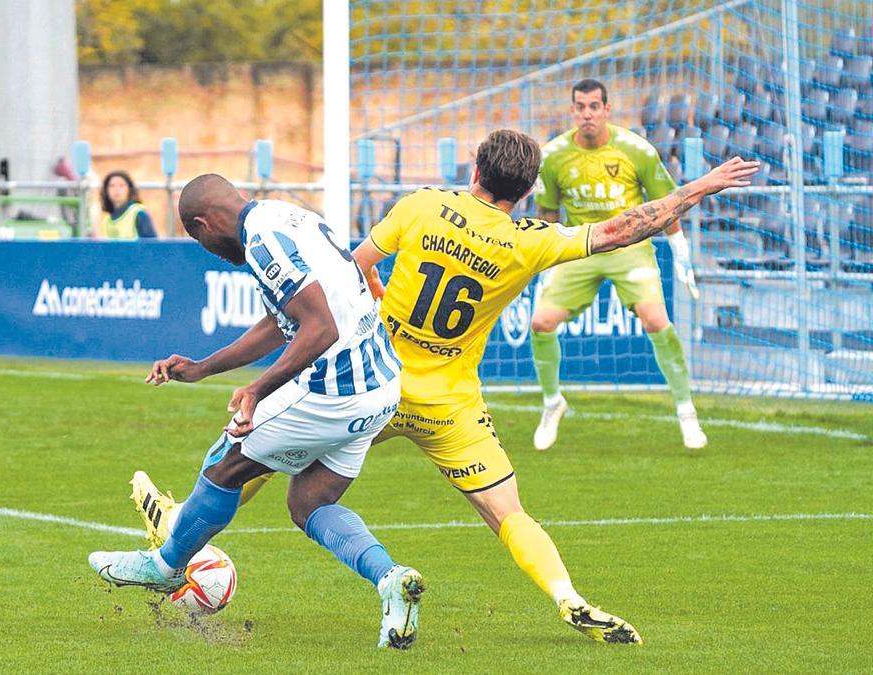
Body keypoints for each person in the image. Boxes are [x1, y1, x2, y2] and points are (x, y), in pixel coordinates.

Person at [131, 133, 759, 644]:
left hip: (379, 380)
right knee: (508, 514)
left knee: (263, 460)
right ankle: (570, 599)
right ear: (528, 189)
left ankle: (180, 529)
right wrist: (700, 186)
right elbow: (626, 228)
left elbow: (353, 272)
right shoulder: (529, 241)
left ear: (477, 167)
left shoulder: (422, 206)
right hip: (451, 403)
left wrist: (376, 299)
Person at [88, 174, 425, 650]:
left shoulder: (263, 242)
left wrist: (258, 388)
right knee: (310, 503)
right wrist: (206, 367)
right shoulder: (286, 216)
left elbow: (319, 327)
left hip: (335, 388)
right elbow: (283, 320)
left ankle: (163, 567)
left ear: (204, 225)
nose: (206, 248)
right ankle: (391, 579)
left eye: (197, 238)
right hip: (382, 390)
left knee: (226, 463)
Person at [531, 78, 706, 451]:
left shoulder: (636, 150)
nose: (587, 114)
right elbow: (547, 213)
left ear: (607, 110)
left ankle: (686, 411)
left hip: (630, 247)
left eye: (594, 106)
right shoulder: (553, 155)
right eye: (580, 107)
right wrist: (545, 263)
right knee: (540, 322)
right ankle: (552, 403)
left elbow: (667, 204)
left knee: (656, 319)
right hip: (581, 246)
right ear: (572, 110)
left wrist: (681, 252)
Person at [96, 170, 157, 239]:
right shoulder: (107, 220)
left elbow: (152, 246)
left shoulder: (138, 213)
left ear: (129, 190)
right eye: (112, 186)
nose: (116, 189)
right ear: (106, 191)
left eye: (121, 185)